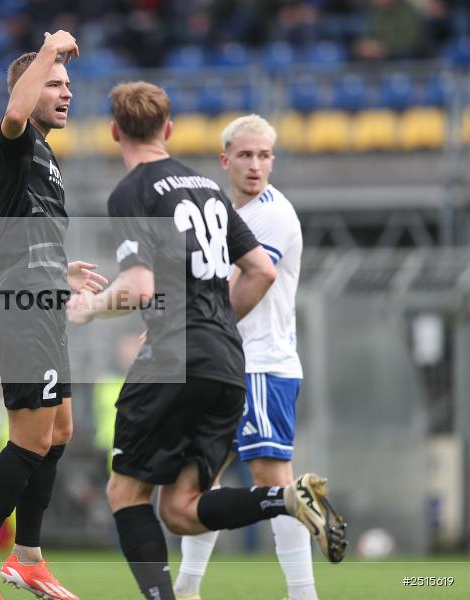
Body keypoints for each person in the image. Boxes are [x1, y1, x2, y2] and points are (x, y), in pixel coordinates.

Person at [68, 82, 347, 600]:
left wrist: (88, 308)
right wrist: (214, 324)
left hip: (178, 354)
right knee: (181, 509)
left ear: (114, 132)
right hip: (227, 360)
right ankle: (284, 501)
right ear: (170, 130)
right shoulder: (208, 188)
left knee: (125, 492)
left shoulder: (132, 191)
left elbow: (138, 287)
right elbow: (260, 270)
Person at [0, 30, 108, 600]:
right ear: (29, 88)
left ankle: (30, 559)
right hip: (21, 307)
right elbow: (14, 113)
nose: (66, 93)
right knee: (31, 439)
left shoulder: (38, 154)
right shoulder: (10, 137)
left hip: (40, 297)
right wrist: (50, 49)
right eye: (55, 84)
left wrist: (55, 270)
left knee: (60, 430)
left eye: (67, 85)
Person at [175, 113, 316, 600]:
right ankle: (186, 587)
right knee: (200, 477)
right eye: (245, 155)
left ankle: (303, 594)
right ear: (225, 160)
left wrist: (193, 330)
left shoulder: (272, 214)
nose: (255, 165)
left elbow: (248, 283)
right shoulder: (220, 212)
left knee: (274, 481)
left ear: (273, 161)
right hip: (224, 362)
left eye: (264, 155)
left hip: (261, 364)